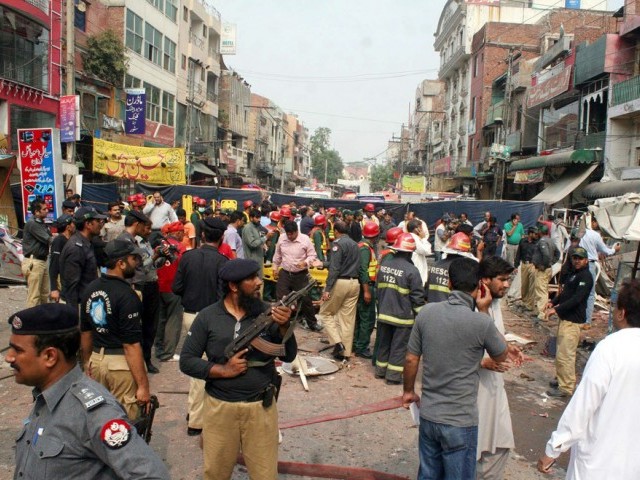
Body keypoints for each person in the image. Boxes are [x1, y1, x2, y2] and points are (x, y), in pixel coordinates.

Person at [7, 303, 170, 480]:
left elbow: (152, 475)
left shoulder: (95, 413)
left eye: (17, 350)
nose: (9, 357)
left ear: (50, 356)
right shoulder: (45, 398)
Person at [403, 257, 521, 480]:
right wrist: (484, 312)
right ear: (479, 285)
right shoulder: (481, 322)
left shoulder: (427, 313)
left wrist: (408, 392)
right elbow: (501, 354)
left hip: (429, 416)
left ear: (449, 284)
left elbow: (411, 359)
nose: (505, 285)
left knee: (428, 474)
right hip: (460, 421)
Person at [179, 259, 296, 480]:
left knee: (265, 475)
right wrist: (223, 370)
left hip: (260, 409)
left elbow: (288, 355)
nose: (259, 282)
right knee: (216, 473)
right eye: (252, 278)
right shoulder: (208, 316)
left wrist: (284, 327)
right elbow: (186, 360)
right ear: (234, 286)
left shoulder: (269, 313)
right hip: (220, 410)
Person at [537, 279, 640, 479]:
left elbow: (584, 405)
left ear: (622, 313)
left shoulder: (610, 348)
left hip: (598, 462)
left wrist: (554, 448)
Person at [80, 240, 151, 421]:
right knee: (125, 423)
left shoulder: (91, 288)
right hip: (120, 365)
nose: (136, 262)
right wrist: (143, 386)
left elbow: (86, 332)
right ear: (121, 263)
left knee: (98, 419)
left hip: (97, 360)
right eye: (133, 258)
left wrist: (87, 362)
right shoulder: (127, 295)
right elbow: (131, 345)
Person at [172, 216, 229, 436]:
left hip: (190, 315)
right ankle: (197, 419)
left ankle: (194, 413)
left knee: (197, 365)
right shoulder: (223, 262)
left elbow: (177, 287)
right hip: (214, 319)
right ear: (222, 237)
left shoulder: (187, 257)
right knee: (206, 367)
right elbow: (222, 295)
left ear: (202, 235)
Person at [477, 256, 518, 479]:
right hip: (475, 389)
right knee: (475, 447)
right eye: (502, 279)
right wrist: (482, 362)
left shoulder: (494, 303)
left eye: (508, 280)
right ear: (484, 280)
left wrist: (505, 345)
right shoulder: (472, 308)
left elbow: (492, 332)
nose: (506, 284)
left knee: (500, 444)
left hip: (494, 388)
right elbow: (452, 350)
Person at [375, 233, 425, 384]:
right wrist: (421, 316)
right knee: (399, 346)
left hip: (384, 312)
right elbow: (417, 297)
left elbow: (378, 288)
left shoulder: (384, 266)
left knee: (384, 343)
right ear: (410, 252)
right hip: (402, 316)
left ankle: (380, 371)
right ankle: (393, 376)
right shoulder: (412, 270)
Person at [544, 247, 594, 398]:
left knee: (567, 355)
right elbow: (565, 294)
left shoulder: (586, 277)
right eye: (575, 258)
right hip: (565, 320)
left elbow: (577, 299)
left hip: (573, 321)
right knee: (561, 353)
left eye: (580, 258)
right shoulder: (574, 274)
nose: (577, 261)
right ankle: (561, 379)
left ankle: (566, 387)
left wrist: (557, 309)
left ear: (586, 260)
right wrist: (553, 302)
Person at [117, 210, 161, 374]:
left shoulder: (135, 241)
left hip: (145, 285)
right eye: (145, 226)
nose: (147, 230)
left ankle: (145, 359)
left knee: (149, 325)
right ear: (137, 224)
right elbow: (133, 267)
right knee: (136, 326)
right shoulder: (125, 241)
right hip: (134, 287)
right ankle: (138, 360)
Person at [318, 221, 361, 360]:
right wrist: (323, 264)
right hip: (354, 282)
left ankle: (337, 343)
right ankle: (345, 353)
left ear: (336, 231)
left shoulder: (337, 244)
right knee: (347, 320)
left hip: (340, 282)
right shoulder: (355, 244)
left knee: (325, 313)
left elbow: (335, 267)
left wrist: (328, 288)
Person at [272, 221, 323, 332]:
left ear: (296, 231)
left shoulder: (305, 239)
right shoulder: (282, 238)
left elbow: (312, 255)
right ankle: (281, 322)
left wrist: (305, 262)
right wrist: (275, 267)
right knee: (281, 299)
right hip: (285, 273)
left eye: (292, 234)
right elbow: (278, 254)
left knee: (305, 300)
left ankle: (312, 323)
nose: (289, 236)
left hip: (300, 274)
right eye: (288, 234)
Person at [59, 207, 107, 309]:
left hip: (88, 303)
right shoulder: (76, 248)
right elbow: (71, 285)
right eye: (97, 221)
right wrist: (74, 316)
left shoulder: (88, 243)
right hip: (79, 305)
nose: (101, 224)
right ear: (88, 224)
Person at [579, 217, 621, 325]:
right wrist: (614, 249)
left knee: (578, 290)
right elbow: (606, 251)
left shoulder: (579, 233)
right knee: (590, 294)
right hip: (589, 265)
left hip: (577, 264)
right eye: (596, 221)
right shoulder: (595, 235)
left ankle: (577, 317)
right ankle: (587, 321)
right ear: (592, 222)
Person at [155, 221, 186, 363]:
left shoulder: (160, 245)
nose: (183, 235)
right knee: (173, 320)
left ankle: (159, 349)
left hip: (158, 286)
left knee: (160, 319)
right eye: (182, 232)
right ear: (178, 232)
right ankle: (168, 353)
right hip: (174, 289)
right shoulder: (180, 247)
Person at [353, 221, 379, 359]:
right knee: (367, 318)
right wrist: (367, 291)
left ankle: (356, 344)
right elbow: (363, 270)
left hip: (364, 286)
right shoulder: (365, 249)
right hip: (366, 286)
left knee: (360, 317)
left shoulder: (363, 246)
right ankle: (361, 347)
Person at [21, 199, 52, 307]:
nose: (47, 211)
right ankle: (30, 322)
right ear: (37, 212)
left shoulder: (41, 223)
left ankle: (42, 320)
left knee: (44, 294)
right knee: (34, 297)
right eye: (44, 209)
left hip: (42, 261)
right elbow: (49, 239)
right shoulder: (33, 224)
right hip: (34, 262)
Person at [532, 225, 560, 321]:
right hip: (548, 268)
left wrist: (545, 265)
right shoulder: (551, 241)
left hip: (543, 270)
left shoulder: (543, 241)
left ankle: (542, 314)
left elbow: (546, 255)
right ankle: (541, 311)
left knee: (541, 291)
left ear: (540, 232)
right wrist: (552, 263)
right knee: (542, 289)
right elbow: (558, 253)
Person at [49, 214, 75, 303]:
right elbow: (53, 265)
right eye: (73, 223)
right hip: (61, 281)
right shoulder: (59, 241)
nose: (74, 225)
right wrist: (54, 288)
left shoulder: (72, 240)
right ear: (68, 227)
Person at [514, 227, 539, 313]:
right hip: (524, 264)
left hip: (533, 265)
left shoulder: (537, 243)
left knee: (531, 286)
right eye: (535, 233)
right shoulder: (522, 241)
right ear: (530, 233)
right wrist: (516, 265)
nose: (536, 235)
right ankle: (525, 302)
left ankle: (530, 304)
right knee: (524, 285)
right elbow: (518, 253)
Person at [242, 208, 273, 277]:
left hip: (257, 260)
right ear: (251, 218)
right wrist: (266, 237)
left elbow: (258, 241)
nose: (259, 220)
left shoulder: (256, 227)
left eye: (259, 218)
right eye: (257, 218)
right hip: (251, 261)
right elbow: (252, 244)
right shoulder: (248, 228)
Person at [406, 219, 431, 287]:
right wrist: (423, 239)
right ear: (416, 229)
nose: (423, 230)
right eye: (421, 227)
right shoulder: (415, 238)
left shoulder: (408, 236)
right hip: (417, 267)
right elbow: (427, 251)